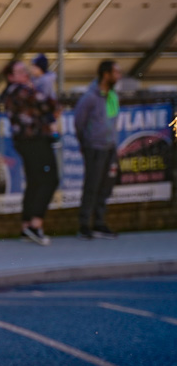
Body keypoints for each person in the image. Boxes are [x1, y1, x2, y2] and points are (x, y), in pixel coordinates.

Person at [1, 60, 60, 246]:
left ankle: (26, 225)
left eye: (25, 70)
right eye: (20, 71)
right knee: (50, 179)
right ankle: (35, 225)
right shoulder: (21, 90)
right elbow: (50, 105)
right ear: (11, 77)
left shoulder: (14, 92)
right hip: (35, 141)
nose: (25, 73)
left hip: (27, 141)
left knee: (35, 181)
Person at [74, 60, 122, 240]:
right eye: (116, 72)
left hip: (110, 147)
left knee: (106, 186)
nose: (119, 76)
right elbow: (79, 121)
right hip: (94, 147)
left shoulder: (113, 96)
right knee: (92, 186)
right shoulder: (90, 97)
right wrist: (85, 142)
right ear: (106, 74)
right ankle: (84, 224)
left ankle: (100, 222)